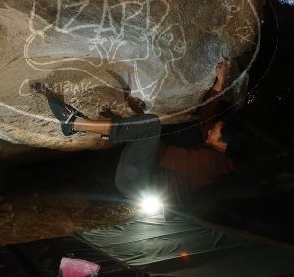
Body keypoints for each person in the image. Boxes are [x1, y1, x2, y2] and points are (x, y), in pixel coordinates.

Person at [43, 59, 238, 209]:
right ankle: (92, 127)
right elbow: (206, 117)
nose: (210, 130)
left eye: (215, 132)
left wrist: (138, 118)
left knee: (150, 125)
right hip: (137, 178)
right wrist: (220, 83)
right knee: (145, 127)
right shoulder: (215, 153)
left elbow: (160, 152)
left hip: (137, 182)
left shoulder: (210, 164)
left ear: (224, 144)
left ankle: (75, 123)